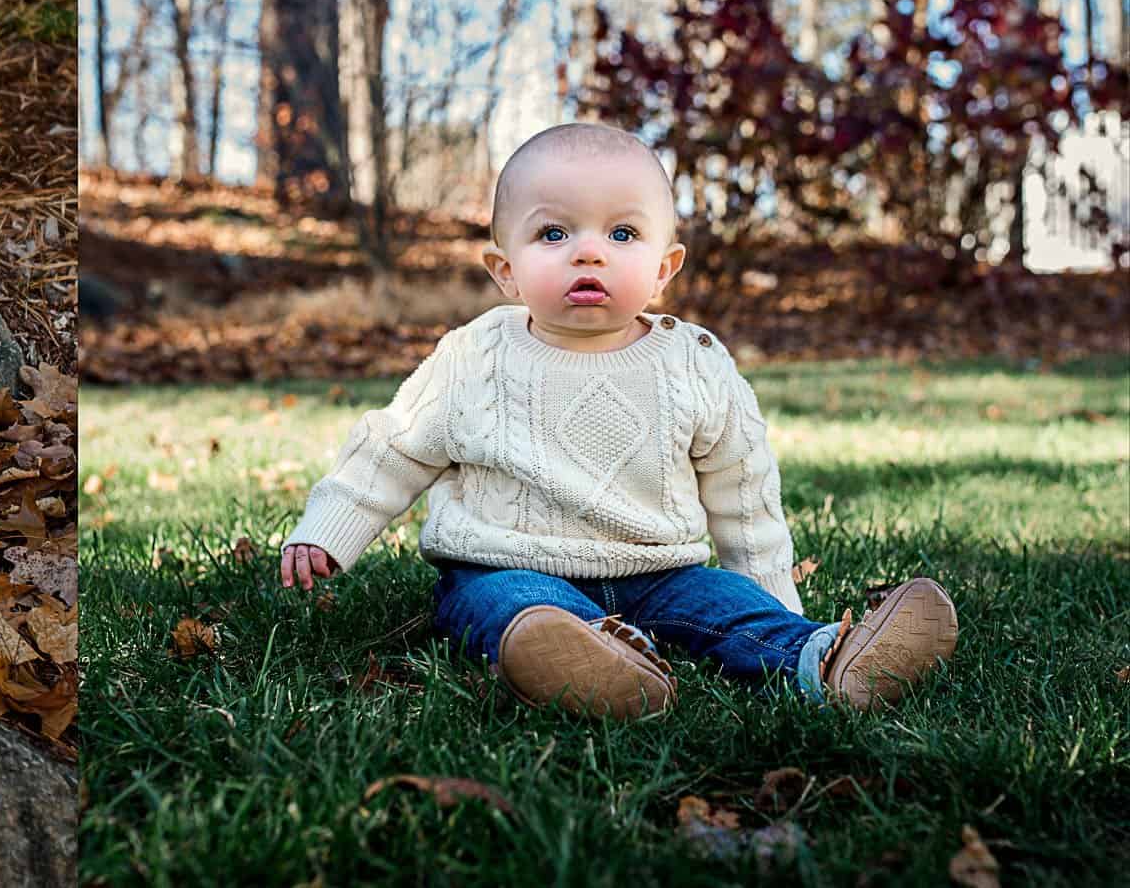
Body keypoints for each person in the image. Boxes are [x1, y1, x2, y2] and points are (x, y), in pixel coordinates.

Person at [276, 123, 957, 717]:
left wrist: (774, 599)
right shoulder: (473, 357)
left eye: (622, 233)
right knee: (506, 606)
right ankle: (588, 660)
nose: (588, 251)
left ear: (663, 269)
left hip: (662, 575)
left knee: (725, 604)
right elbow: (394, 447)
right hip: (506, 565)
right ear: (505, 270)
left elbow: (744, 492)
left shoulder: (694, 363)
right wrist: (330, 529)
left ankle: (825, 659)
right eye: (553, 233)